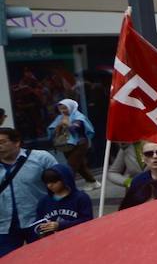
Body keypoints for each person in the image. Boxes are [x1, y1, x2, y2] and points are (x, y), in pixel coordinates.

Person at [0, 128, 58, 256]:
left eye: (2, 142)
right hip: (4, 226)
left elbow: (62, 185)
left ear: (16, 142)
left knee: (46, 259)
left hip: (38, 221)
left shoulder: (41, 158)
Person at [31, 164, 92, 238]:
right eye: (47, 183)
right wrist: (41, 228)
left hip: (79, 237)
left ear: (64, 180)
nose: (49, 185)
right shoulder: (43, 201)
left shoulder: (81, 198)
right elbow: (38, 221)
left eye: (54, 182)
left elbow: (88, 220)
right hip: (54, 242)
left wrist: (60, 225)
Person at [45, 99, 96, 185]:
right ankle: (93, 182)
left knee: (71, 166)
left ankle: (67, 186)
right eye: (61, 109)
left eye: (65, 108)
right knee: (80, 166)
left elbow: (76, 128)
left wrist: (68, 124)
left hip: (80, 144)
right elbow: (52, 130)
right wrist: (59, 125)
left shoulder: (78, 116)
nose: (63, 111)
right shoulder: (59, 118)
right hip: (65, 144)